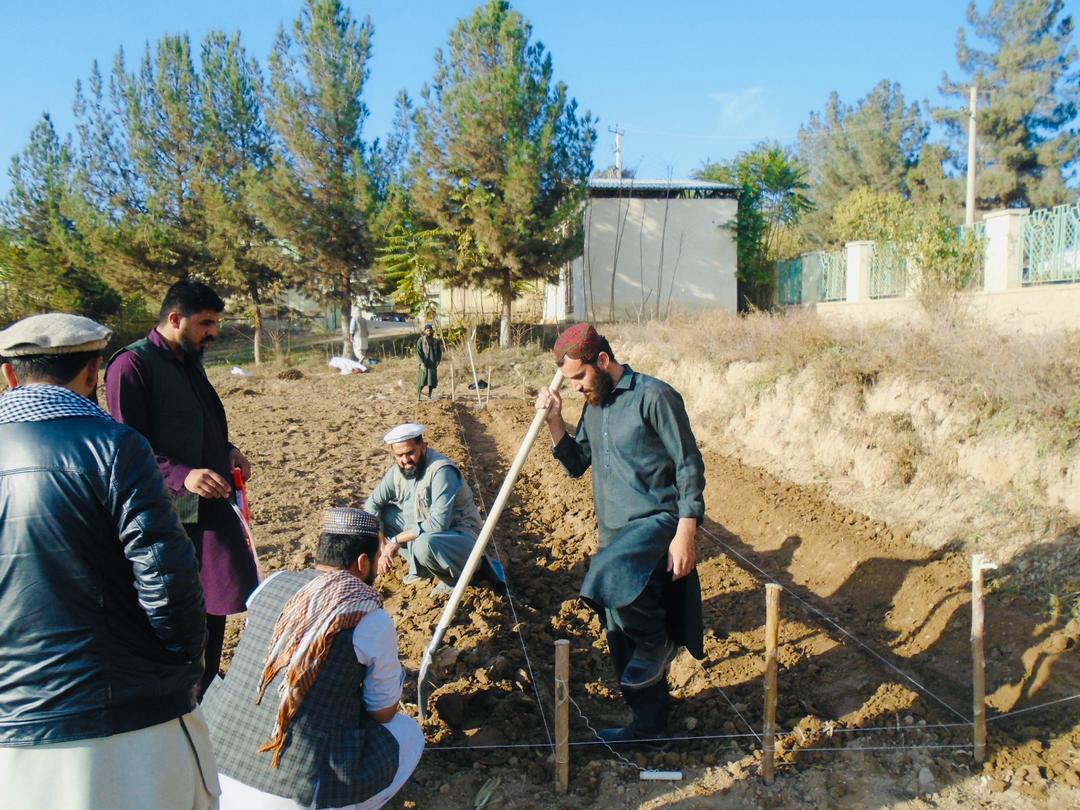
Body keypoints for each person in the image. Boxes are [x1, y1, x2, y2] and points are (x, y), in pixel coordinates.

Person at [0, 313, 219, 810]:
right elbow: (166, 579)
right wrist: (184, 665)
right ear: (93, 372)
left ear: (9, 376)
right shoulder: (113, 446)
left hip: (14, 728)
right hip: (127, 721)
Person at [535, 322, 706, 749]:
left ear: (603, 361)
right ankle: (650, 729)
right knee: (619, 637)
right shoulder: (595, 404)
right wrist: (556, 422)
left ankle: (659, 638)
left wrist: (687, 529)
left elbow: (688, 464)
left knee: (603, 579)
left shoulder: (654, 396)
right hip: (614, 531)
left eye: (579, 376)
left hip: (656, 523)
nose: (575, 386)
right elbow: (577, 463)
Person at [201, 508, 424, 810]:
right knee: (408, 733)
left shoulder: (271, 585)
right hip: (293, 792)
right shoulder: (369, 615)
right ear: (362, 563)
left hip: (209, 773)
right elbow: (382, 713)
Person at [105, 279, 260, 698]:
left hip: (210, 508)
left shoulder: (189, 359)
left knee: (214, 614)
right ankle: (180, 706)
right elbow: (127, 448)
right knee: (178, 621)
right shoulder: (130, 366)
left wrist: (227, 450)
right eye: (206, 323)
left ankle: (202, 699)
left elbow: (199, 424)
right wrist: (182, 475)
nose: (213, 332)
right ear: (175, 319)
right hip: (169, 516)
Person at [364, 423, 505, 595]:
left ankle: (453, 580)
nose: (405, 460)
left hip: (459, 537)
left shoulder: (441, 471)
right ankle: (425, 568)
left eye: (410, 453)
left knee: (424, 544)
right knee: (384, 514)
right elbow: (372, 505)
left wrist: (395, 540)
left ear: (423, 447)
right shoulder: (397, 472)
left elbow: (438, 524)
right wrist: (382, 546)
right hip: (426, 532)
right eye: (399, 455)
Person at [415, 323, 442, 400]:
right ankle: (418, 395)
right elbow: (418, 352)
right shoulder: (420, 341)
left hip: (432, 364)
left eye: (430, 330)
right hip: (424, 363)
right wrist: (421, 362)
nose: (429, 332)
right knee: (422, 380)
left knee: (431, 381)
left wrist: (438, 361)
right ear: (424, 331)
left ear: (432, 331)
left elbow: (439, 352)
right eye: (427, 330)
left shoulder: (435, 341)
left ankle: (429, 395)